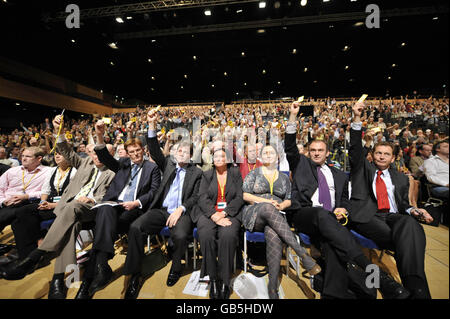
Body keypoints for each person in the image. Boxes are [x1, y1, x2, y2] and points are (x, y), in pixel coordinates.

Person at [285, 101, 406, 299]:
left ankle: (359, 292)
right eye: (312, 150)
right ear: (308, 152)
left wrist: (343, 209)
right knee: (322, 215)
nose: (316, 153)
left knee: (334, 246)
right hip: (306, 216)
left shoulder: (340, 175)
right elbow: (290, 145)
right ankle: (374, 273)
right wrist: (292, 117)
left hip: (333, 222)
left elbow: (344, 201)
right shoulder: (301, 165)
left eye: (320, 150)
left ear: (327, 153)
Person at [0, 115, 116, 301]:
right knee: (69, 228)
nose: (96, 156)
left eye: (101, 153)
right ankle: (58, 281)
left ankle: (35, 256)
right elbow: (65, 150)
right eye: (94, 152)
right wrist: (58, 130)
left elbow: (111, 196)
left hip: (91, 210)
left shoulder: (113, 171)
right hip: (68, 210)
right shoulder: (84, 162)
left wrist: (93, 199)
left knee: (73, 207)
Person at [107, 108, 202, 299]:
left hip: (181, 213)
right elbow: (152, 146)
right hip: (161, 211)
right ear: (174, 153)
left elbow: (195, 197)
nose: (181, 153)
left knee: (182, 235)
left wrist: (181, 209)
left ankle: (176, 268)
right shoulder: (166, 164)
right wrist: (151, 124)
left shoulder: (196, 172)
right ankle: (135, 273)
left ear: (191, 155)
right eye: (179, 150)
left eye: (186, 151)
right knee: (136, 227)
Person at [349, 101, 434, 299]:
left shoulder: (400, 178)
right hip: (368, 216)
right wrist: (356, 118)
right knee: (409, 240)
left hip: (392, 215)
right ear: (372, 155)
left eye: (386, 154)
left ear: (393, 158)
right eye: (378, 153)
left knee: (410, 223)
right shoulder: (363, 169)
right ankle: (419, 291)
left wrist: (415, 210)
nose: (381, 156)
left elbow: (404, 205)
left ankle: (412, 290)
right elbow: (354, 147)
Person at [74, 119, 161, 299]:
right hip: (115, 206)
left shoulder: (151, 168)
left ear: (143, 151)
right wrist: (99, 134)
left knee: (104, 224)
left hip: (134, 208)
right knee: (105, 209)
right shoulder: (122, 164)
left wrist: (136, 202)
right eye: (132, 152)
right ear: (127, 154)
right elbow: (104, 156)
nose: (136, 154)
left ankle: (94, 272)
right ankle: (100, 265)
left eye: (138, 151)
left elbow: (153, 192)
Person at [242, 144, 321, 299]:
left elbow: (289, 199)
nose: (268, 154)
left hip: (277, 218)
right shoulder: (254, 174)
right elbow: (245, 195)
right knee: (266, 208)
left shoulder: (285, 178)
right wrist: (265, 203)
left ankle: (272, 287)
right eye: (265, 152)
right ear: (261, 156)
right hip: (255, 214)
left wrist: (282, 204)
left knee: (273, 233)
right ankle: (302, 253)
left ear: (278, 157)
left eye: (272, 152)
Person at [193, 148, 244, 299]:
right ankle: (213, 278)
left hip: (230, 213)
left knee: (228, 236)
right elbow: (202, 197)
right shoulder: (207, 174)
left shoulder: (235, 173)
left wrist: (224, 213)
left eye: (222, 156)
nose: (219, 158)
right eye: (216, 156)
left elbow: (240, 197)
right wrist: (214, 215)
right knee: (206, 235)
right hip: (209, 213)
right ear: (212, 159)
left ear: (228, 159)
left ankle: (225, 280)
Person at [9, 151, 76, 262]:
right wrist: (43, 202)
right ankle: (28, 255)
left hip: (65, 206)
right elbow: (46, 190)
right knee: (17, 219)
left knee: (23, 215)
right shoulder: (53, 170)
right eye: (55, 154)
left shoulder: (75, 171)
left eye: (60, 154)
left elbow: (75, 197)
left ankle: (35, 251)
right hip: (49, 203)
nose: (57, 156)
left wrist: (52, 205)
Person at [0, 146, 51, 233]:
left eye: (28, 156)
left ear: (39, 158)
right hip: (7, 204)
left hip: (29, 203)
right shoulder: (12, 171)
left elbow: (47, 192)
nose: (23, 158)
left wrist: (26, 196)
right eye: (23, 156)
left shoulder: (48, 172)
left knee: (18, 219)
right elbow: (0, 188)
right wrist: (3, 201)